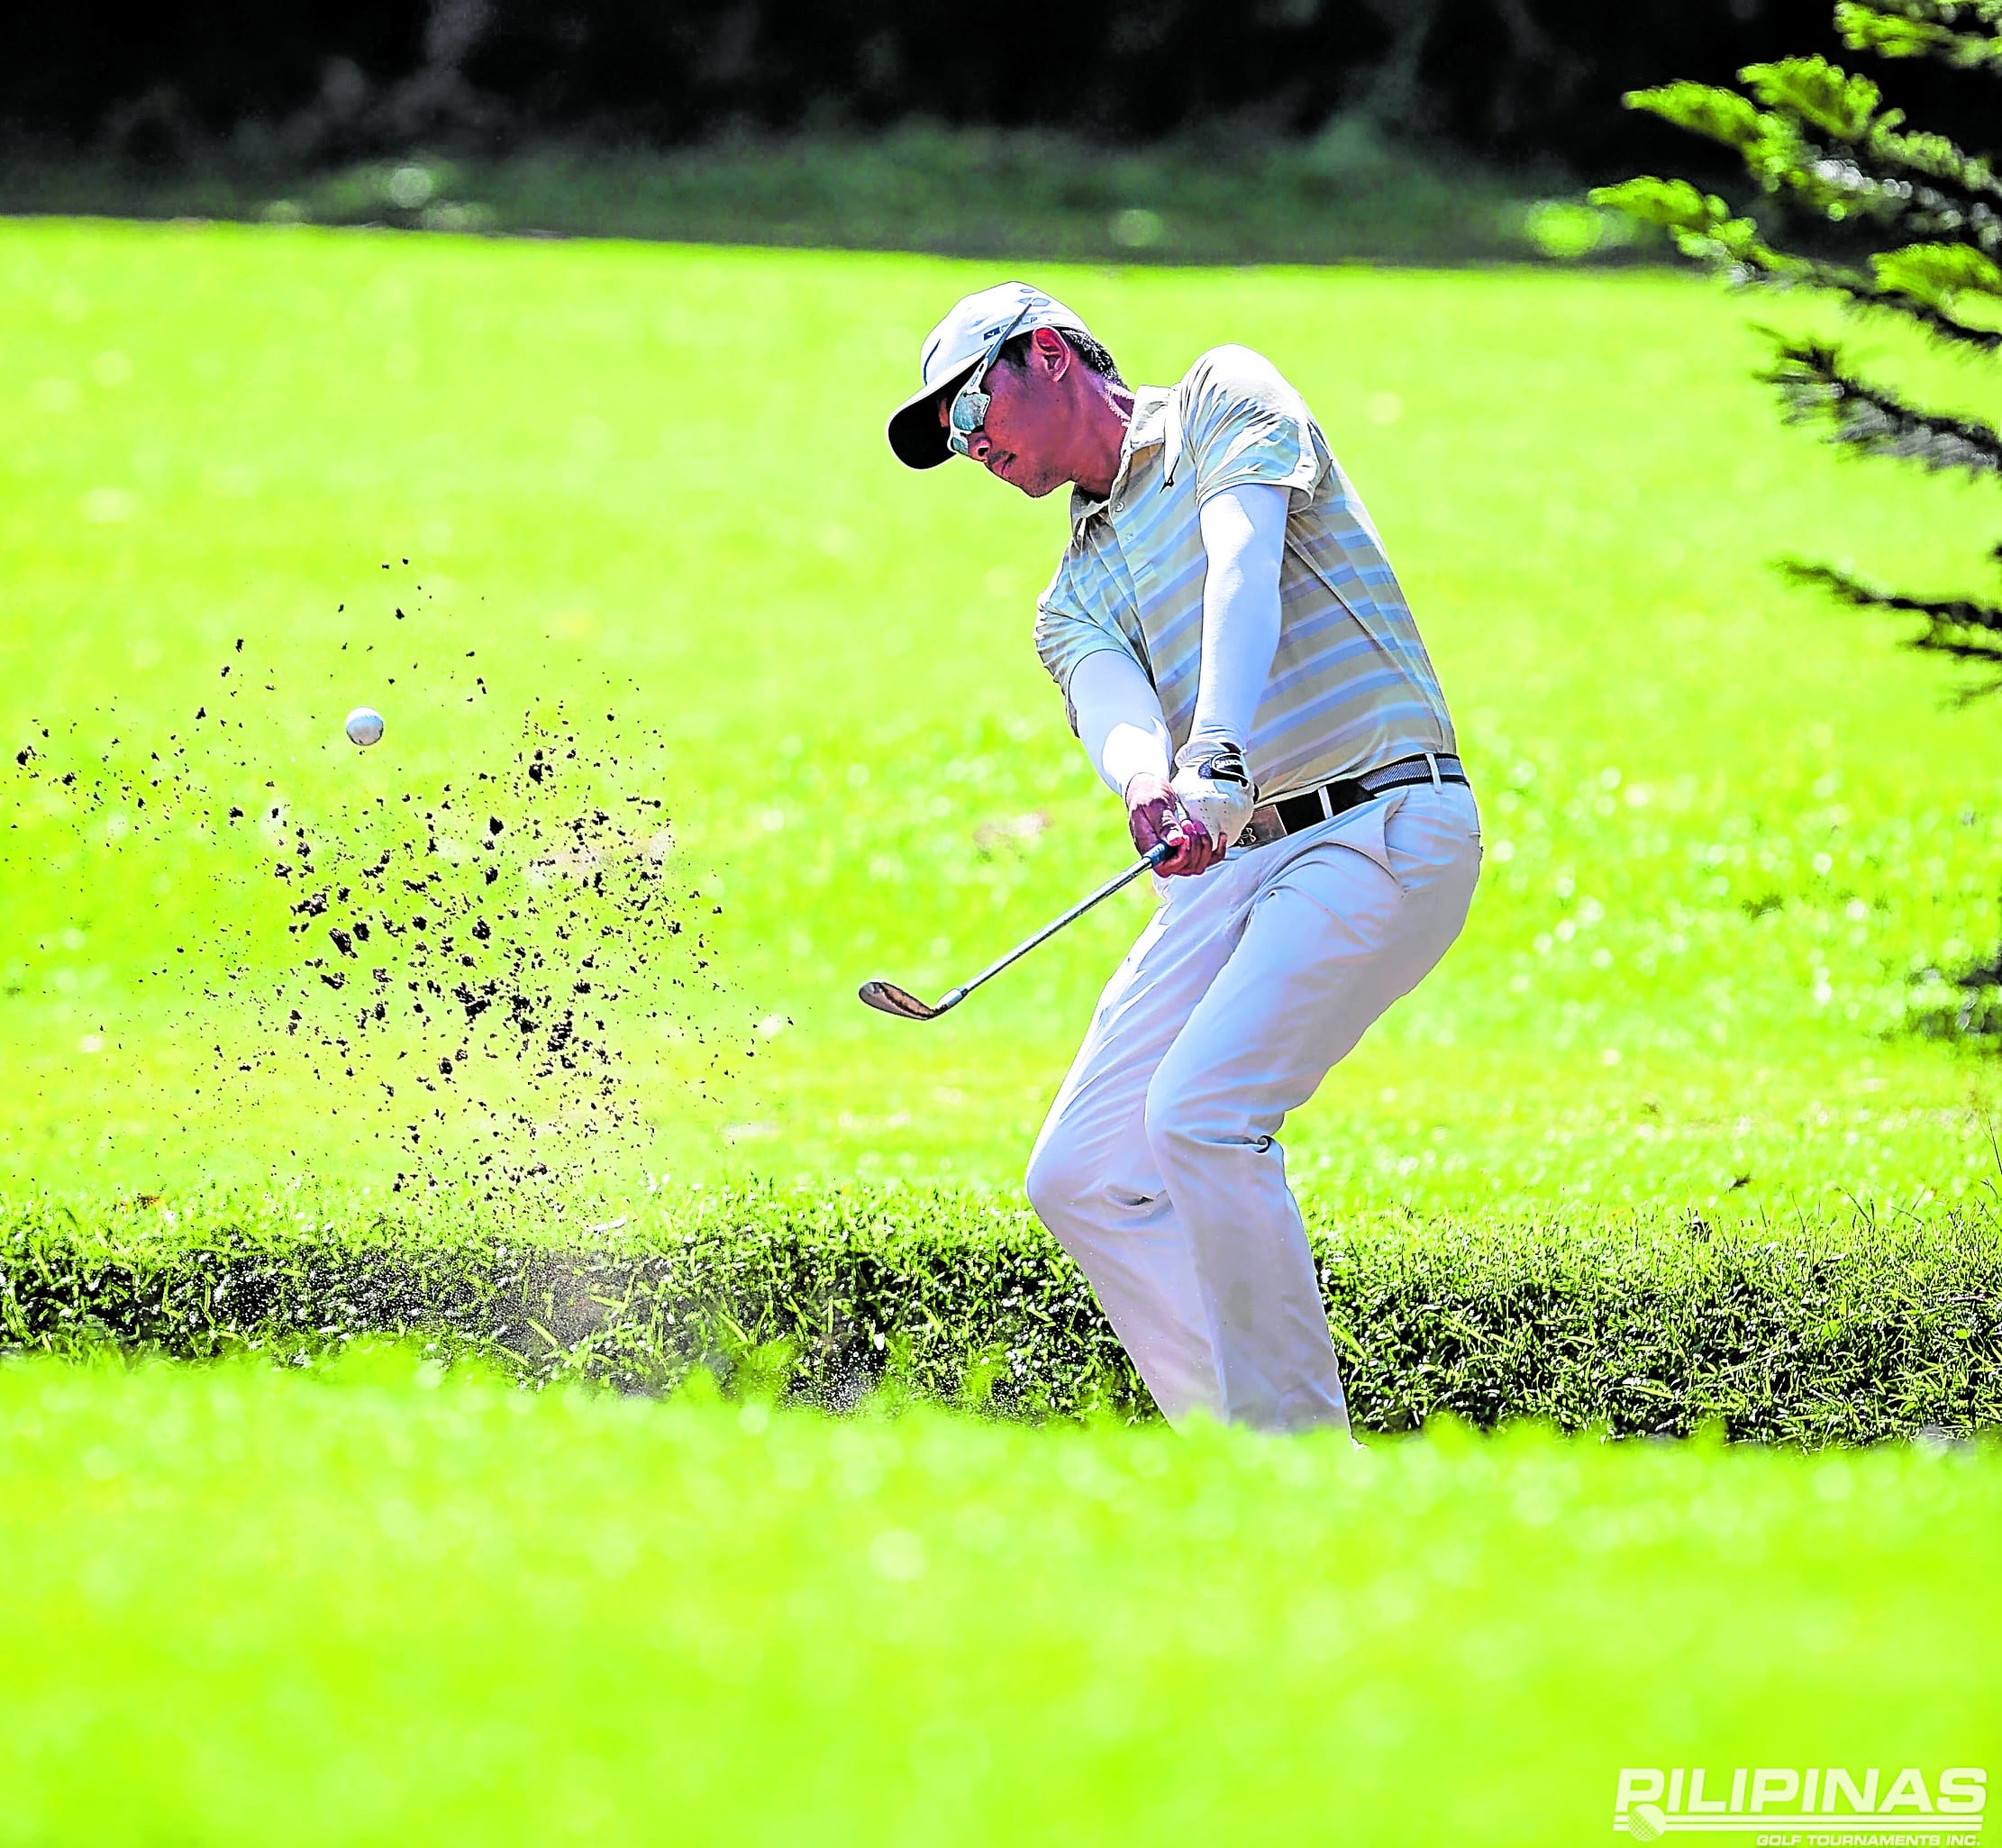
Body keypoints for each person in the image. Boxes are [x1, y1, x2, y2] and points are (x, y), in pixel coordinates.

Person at [886, 282, 1481, 1435]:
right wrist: (1147, 778)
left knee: (1200, 1115)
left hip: (1378, 823)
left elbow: (1238, 561)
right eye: (950, 442)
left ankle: (1301, 1460)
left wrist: (1214, 746)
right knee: (1079, 1172)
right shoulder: (1071, 594)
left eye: (968, 416)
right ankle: (1242, 1451)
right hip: (1237, 855)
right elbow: (1113, 705)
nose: (969, 451)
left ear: (1047, 355)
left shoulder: (1222, 395)